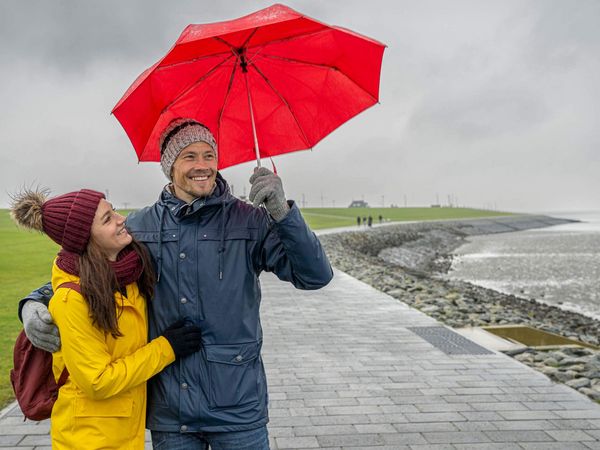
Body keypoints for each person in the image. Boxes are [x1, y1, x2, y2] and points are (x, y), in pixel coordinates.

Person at [19, 118, 333, 450]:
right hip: (171, 411)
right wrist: (34, 301)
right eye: (190, 156)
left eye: (209, 155)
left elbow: (315, 275)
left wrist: (283, 213)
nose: (203, 166)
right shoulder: (139, 226)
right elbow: (87, 273)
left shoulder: (250, 220)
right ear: (170, 167)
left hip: (239, 407)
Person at [11, 188, 202, 450]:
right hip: (88, 438)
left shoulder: (128, 272)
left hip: (123, 431)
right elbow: (97, 381)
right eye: (107, 218)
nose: (121, 218)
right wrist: (166, 348)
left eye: (113, 210)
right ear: (85, 239)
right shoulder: (72, 300)